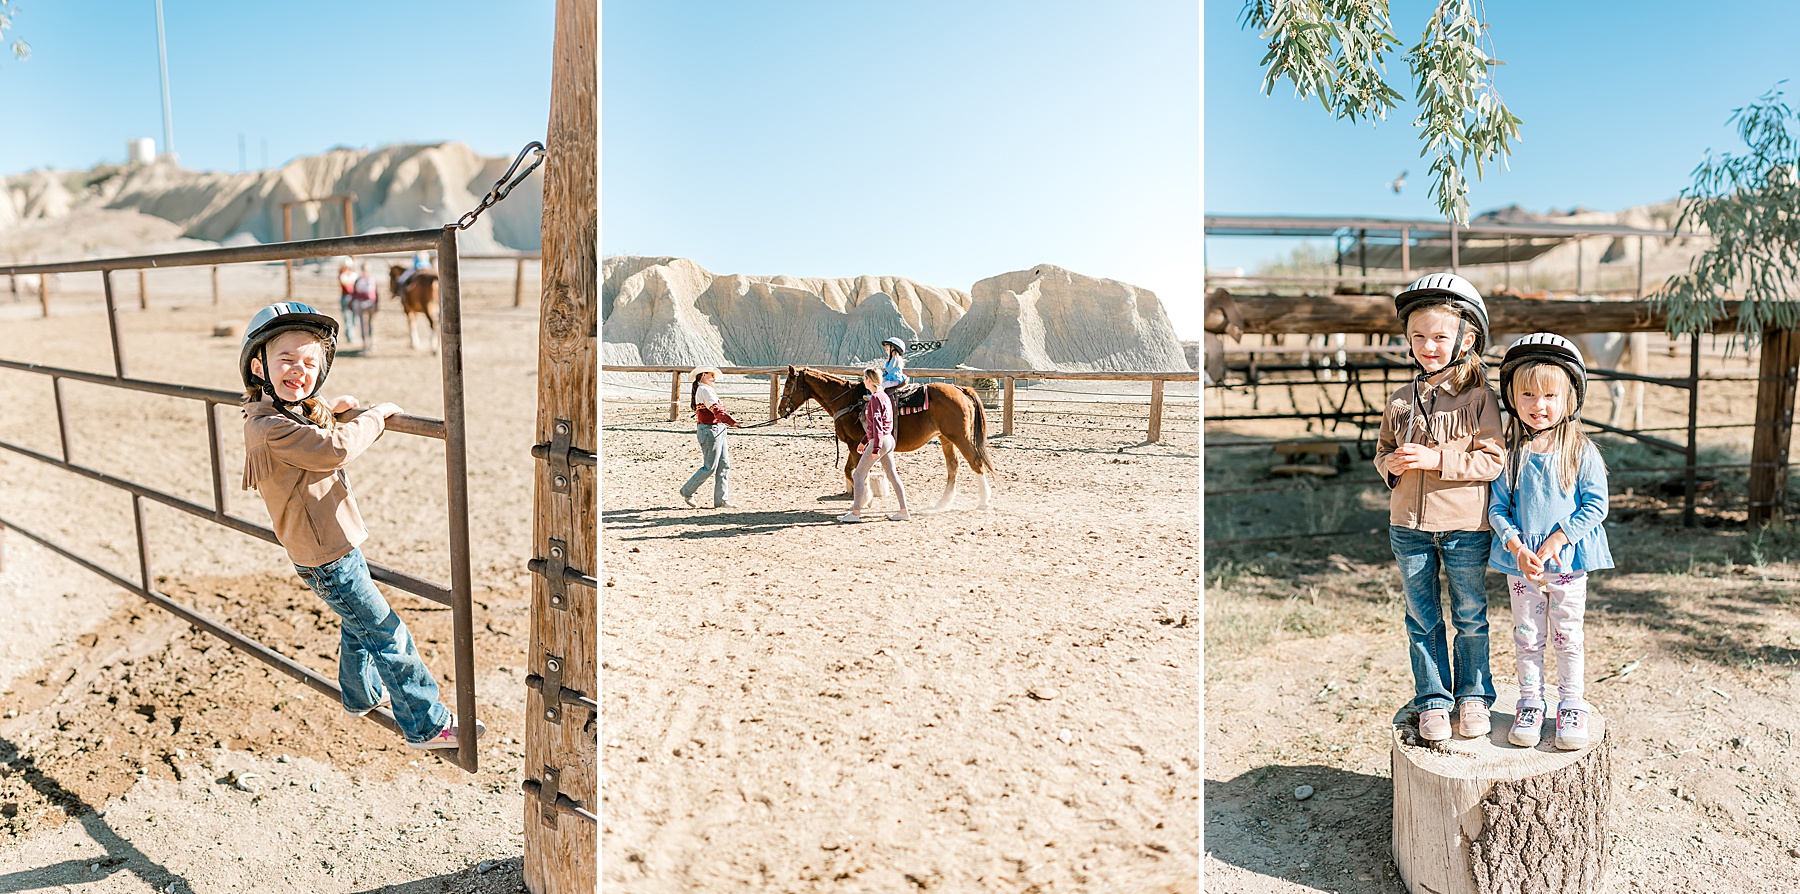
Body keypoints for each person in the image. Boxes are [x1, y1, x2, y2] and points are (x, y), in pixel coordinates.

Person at [239, 302, 481, 750]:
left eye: (311, 363)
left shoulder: (272, 417)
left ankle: (357, 694)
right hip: (328, 557)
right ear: (259, 366)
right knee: (388, 633)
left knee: (358, 625)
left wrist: (330, 408)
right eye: (286, 360)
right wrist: (376, 416)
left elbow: (311, 427)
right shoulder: (273, 428)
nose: (300, 370)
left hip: (327, 551)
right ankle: (426, 725)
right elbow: (331, 450)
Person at [1374, 273, 1505, 742]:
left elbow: (1492, 460)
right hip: (1407, 526)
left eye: (1439, 337)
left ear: (1465, 340)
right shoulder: (1401, 398)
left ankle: (1473, 694)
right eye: (1419, 337)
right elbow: (1382, 449)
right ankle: (1432, 697)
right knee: (1421, 616)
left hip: (1464, 526)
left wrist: (1436, 459)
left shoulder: (1479, 398)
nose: (1429, 346)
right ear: (1408, 342)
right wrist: (1389, 462)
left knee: (1470, 612)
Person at [1489, 333, 1611, 750]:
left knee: (1567, 634)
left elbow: (1596, 506)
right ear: (1512, 397)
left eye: (1548, 395)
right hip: (1524, 565)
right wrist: (1516, 546)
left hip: (1567, 562)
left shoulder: (1580, 451)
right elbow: (1497, 508)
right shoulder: (1510, 453)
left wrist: (1560, 537)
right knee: (1527, 634)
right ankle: (1530, 701)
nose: (1537, 405)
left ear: (1568, 399)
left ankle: (1571, 703)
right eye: (1527, 394)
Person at [840, 366, 911, 523]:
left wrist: (875, 447)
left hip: (881, 440)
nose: (863, 381)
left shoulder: (875, 399)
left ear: (869, 380)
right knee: (892, 475)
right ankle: (904, 511)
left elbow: (877, 424)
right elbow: (878, 425)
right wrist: (864, 441)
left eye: (864, 378)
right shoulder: (884, 396)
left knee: (858, 474)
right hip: (888, 439)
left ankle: (856, 513)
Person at [679, 366, 738, 508]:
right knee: (710, 466)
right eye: (711, 374)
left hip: (716, 429)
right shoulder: (705, 390)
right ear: (703, 375)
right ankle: (687, 491)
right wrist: (732, 422)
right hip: (710, 430)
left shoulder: (706, 389)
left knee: (723, 465)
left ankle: (721, 500)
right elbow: (716, 410)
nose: (714, 377)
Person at [335, 257, 359, 342]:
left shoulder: (351, 274)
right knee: (348, 317)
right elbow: (348, 288)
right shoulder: (344, 275)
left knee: (354, 318)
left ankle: (351, 335)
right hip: (347, 297)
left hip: (351, 297)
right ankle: (350, 337)